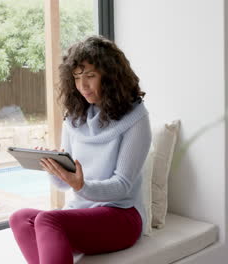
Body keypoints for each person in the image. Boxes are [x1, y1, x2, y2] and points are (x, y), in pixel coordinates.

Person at [8, 35, 152, 264]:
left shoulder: (136, 118)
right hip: (82, 211)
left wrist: (82, 186)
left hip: (122, 215)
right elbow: (65, 184)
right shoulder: (74, 118)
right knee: (20, 218)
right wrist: (54, 168)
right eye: (76, 77)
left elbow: (122, 185)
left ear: (111, 76)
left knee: (47, 220)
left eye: (90, 76)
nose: (82, 86)